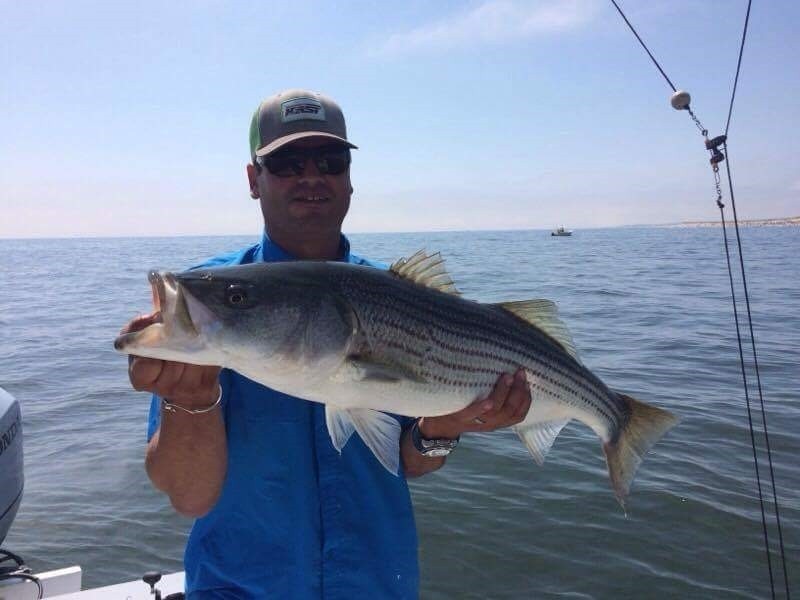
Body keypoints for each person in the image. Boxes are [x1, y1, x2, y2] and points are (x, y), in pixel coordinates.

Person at [122, 88, 532, 599]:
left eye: (330, 160)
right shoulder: (224, 305)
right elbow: (189, 496)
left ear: (349, 179)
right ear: (255, 179)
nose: (311, 175)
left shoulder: (405, 299)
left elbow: (412, 462)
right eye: (288, 162)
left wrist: (443, 428)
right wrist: (191, 402)